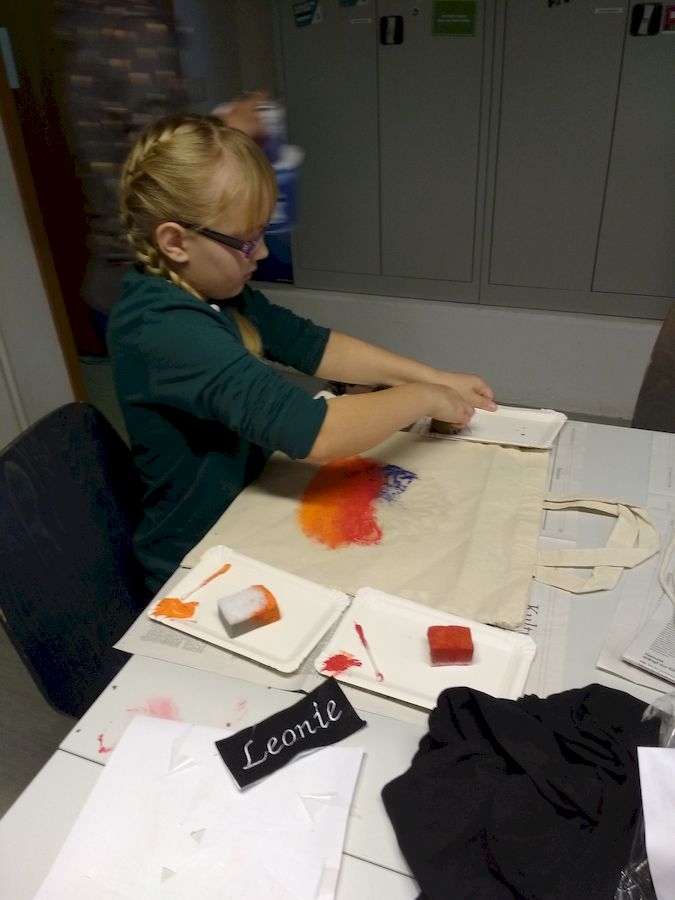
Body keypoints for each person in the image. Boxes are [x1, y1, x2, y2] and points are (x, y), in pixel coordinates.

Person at [107, 113, 497, 591]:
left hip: (244, 513)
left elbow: (312, 345)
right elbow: (318, 433)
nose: (261, 254)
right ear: (175, 242)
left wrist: (433, 376)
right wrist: (426, 397)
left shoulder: (211, 290)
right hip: (195, 564)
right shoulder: (162, 328)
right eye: (245, 241)